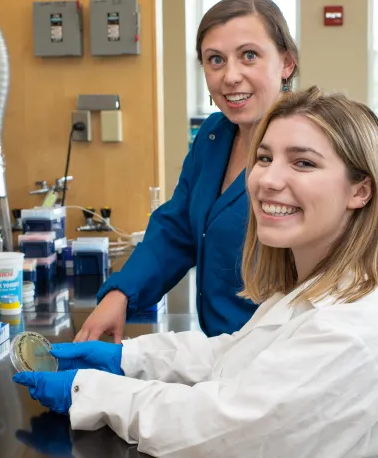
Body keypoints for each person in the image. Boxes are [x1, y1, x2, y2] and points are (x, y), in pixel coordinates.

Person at [13, 87, 378, 458]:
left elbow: (218, 434)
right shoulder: (319, 287)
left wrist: (91, 391)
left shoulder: (357, 332)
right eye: (265, 158)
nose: (268, 180)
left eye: (303, 162)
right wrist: (127, 359)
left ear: (361, 189)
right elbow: (235, 356)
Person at [75, 0, 299, 343]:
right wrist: (121, 294)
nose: (231, 76)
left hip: (281, 355)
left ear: (286, 62)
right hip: (220, 352)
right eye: (215, 60)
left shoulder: (309, 149)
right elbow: (177, 227)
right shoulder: (214, 136)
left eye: (249, 55)